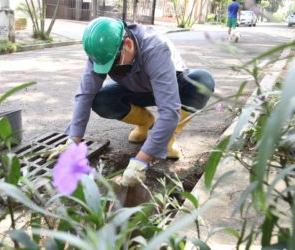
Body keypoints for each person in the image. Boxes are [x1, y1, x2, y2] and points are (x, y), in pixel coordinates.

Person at [66, 17, 215, 186]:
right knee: (102, 99)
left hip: (172, 89)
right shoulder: (101, 52)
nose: (112, 69)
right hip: (136, 89)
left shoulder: (155, 48)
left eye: (114, 63)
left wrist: (141, 160)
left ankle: (168, 138)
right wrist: (73, 140)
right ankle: (145, 122)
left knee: (202, 81)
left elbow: (169, 109)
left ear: (128, 44)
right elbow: (85, 94)